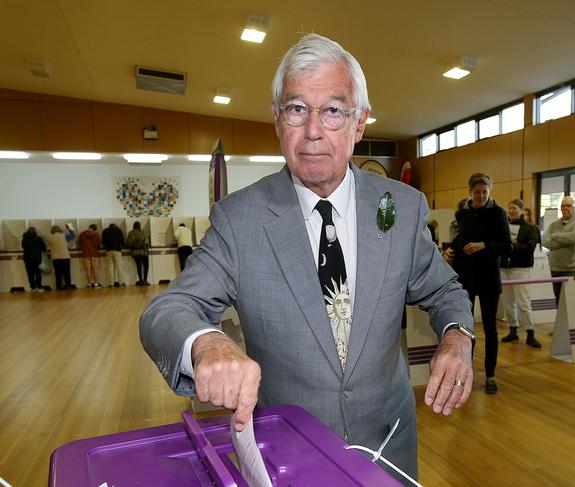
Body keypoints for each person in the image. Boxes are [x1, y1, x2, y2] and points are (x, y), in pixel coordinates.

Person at [140, 33, 474, 483]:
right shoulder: (240, 219)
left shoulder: (402, 205)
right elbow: (167, 310)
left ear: (359, 124)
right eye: (297, 109)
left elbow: (444, 288)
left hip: (389, 445)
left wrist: (457, 336)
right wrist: (207, 342)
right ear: (278, 120)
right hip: (287, 456)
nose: (313, 130)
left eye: (333, 111)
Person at [443, 173, 512, 394]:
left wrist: (483, 245)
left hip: (489, 278)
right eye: (477, 192)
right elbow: (462, 238)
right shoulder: (462, 213)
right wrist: (450, 249)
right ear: (470, 192)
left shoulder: (499, 213)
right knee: (466, 330)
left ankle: (490, 375)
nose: (481, 196)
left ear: (490, 191)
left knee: (490, 329)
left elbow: (506, 245)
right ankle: (466, 373)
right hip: (467, 277)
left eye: (484, 192)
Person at [500, 199, 541, 348]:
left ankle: (530, 332)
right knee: (507, 302)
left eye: (515, 208)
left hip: (521, 268)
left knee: (523, 302)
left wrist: (511, 245)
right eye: (509, 208)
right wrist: (512, 244)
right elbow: (499, 246)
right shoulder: (503, 226)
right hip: (504, 268)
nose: (511, 210)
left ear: (522, 210)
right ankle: (513, 330)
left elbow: (529, 248)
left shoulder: (530, 228)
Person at [542, 196, 575, 305]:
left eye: (568, 205)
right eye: (563, 206)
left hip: (572, 269)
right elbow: (544, 241)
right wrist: (562, 241)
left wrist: (555, 236)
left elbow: (573, 238)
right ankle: (560, 322)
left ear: (574, 207)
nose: (565, 208)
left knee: (571, 301)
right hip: (555, 268)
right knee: (558, 300)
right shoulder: (554, 224)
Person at [47, 225, 73, 290]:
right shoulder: (64, 236)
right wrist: (69, 228)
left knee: (58, 273)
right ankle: (68, 285)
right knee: (67, 273)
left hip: (55, 258)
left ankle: (58, 286)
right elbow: (72, 235)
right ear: (59, 230)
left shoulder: (50, 238)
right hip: (65, 257)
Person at [21, 227, 46, 292]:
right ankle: (39, 287)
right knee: (38, 273)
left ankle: (33, 287)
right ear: (35, 231)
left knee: (30, 274)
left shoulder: (24, 239)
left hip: (27, 259)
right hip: (37, 258)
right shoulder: (38, 238)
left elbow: (23, 247)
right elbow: (44, 247)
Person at [78, 224, 101, 288]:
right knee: (95, 269)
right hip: (95, 254)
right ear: (95, 229)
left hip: (86, 254)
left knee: (88, 269)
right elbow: (99, 244)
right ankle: (96, 283)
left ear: (89, 227)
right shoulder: (96, 234)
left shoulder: (82, 234)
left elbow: (79, 244)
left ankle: (89, 284)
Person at [127, 221, 150, 286]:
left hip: (135, 252)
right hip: (144, 252)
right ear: (140, 225)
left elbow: (129, 244)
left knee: (139, 266)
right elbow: (146, 243)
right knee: (146, 266)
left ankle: (140, 281)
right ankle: (145, 280)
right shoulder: (143, 232)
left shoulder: (130, 233)